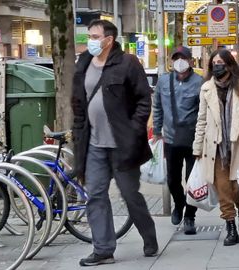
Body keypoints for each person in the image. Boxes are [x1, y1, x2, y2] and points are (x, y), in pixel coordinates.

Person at [71, 19, 158, 266]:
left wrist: (133, 130)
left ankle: (148, 235)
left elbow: (144, 100)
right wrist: (78, 131)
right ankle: (103, 250)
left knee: (130, 195)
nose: (90, 40)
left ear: (109, 40)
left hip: (122, 144)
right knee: (95, 195)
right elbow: (78, 100)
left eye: (95, 36)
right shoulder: (84, 62)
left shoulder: (127, 63)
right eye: (89, 35)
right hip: (94, 144)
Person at [192, 49, 239, 246]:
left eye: (221, 62)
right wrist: (197, 147)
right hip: (215, 147)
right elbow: (202, 120)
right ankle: (231, 227)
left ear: (229, 65)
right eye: (214, 62)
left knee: (237, 188)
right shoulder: (206, 88)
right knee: (223, 188)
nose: (217, 65)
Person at [152, 46, 204, 234]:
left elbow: (204, 112)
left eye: (183, 58)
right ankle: (179, 203)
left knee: (193, 180)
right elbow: (157, 106)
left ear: (191, 61)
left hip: (193, 140)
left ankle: (190, 216)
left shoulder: (199, 82)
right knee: (172, 179)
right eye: (176, 58)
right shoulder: (164, 81)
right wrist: (157, 130)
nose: (179, 61)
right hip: (171, 139)